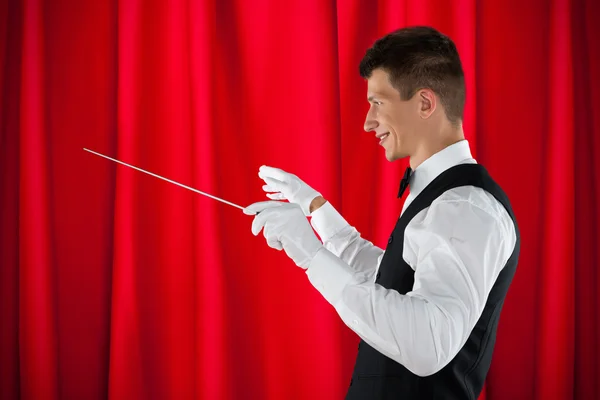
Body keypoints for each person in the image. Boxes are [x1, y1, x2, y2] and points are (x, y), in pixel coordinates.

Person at [243, 26, 520, 399]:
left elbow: (428, 344)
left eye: (379, 103)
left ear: (425, 103)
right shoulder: (441, 197)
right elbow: (388, 282)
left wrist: (311, 255)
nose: (367, 122)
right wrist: (315, 209)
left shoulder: (465, 207)